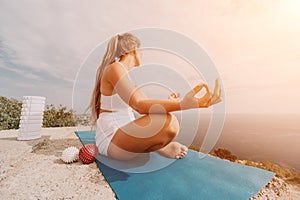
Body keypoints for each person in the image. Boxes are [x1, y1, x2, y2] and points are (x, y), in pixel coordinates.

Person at [87, 33, 222, 161]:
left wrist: (170, 102)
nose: (141, 54)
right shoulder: (115, 68)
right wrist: (186, 104)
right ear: (134, 50)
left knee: (167, 121)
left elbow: (146, 105)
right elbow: (139, 106)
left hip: (124, 134)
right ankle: (161, 147)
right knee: (169, 123)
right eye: (140, 50)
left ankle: (159, 147)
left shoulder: (128, 78)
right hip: (112, 139)